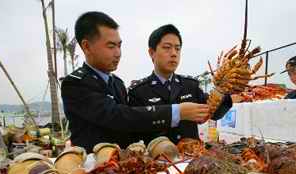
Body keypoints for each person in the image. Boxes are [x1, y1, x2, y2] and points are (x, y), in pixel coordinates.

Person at [61, 12, 209, 152]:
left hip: (125, 166)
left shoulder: (117, 83)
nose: (118, 53)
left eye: (119, 45)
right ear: (87, 46)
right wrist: (176, 112)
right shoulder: (75, 84)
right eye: (111, 46)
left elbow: (131, 129)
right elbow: (119, 116)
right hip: (93, 168)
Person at [128, 24, 237, 145]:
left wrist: (224, 90)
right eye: (167, 47)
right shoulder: (138, 91)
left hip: (194, 158)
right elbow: (134, 127)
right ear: (152, 52)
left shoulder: (190, 85)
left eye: (177, 48)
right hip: (158, 161)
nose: (174, 53)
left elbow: (214, 113)